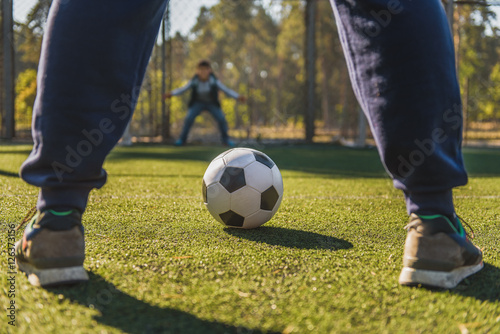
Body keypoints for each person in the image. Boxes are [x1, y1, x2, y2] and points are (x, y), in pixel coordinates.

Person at [16, 0, 482, 289]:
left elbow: (224, 97)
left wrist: (234, 96)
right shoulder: (195, 80)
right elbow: (185, 94)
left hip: (212, 106)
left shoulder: (213, 78)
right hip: (199, 106)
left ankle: (57, 221)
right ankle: (435, 224)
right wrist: (178, 95)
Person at [164, 60, 246, 147]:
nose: (203, 72)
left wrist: (238, 96)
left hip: (211, 103)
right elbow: (182, 89)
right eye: (201, 69)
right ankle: (182, 140)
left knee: (221, 119)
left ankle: (226, 140)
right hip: (197, 103)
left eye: (205, 69)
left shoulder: (213, 81)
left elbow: (226, 90)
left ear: (209, 70)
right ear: (197, 71)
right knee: (189, 118)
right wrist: (171, 94)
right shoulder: (194, 81)